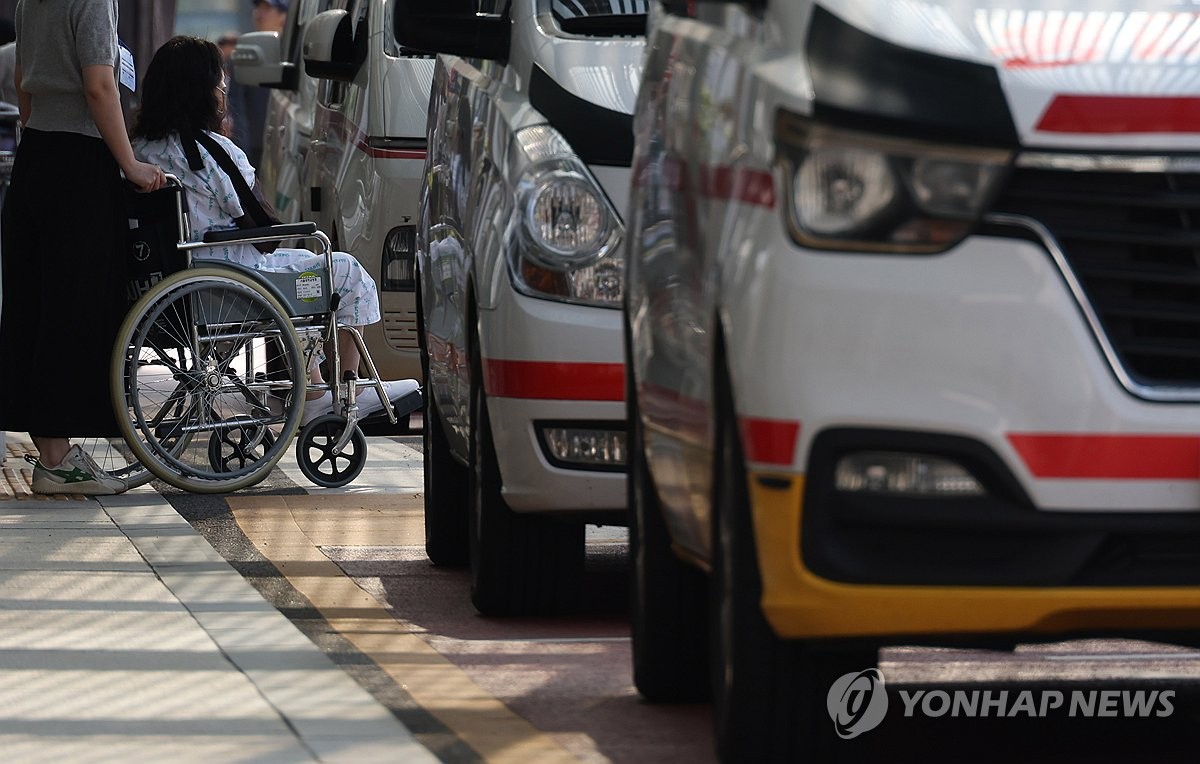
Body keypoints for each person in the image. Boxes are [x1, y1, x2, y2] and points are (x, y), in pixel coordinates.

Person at [130, 35, 405, 426]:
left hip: (177, 280)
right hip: (233, 280)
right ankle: (346, 389)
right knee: (341, 269)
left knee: (307, 271)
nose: (223, 93)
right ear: (204, 94)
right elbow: (260, 226)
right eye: (220, 86)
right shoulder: (212, 152)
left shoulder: (141, 151)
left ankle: (313, 387)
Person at [0, 0, 165, 495]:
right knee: (73, 304)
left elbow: (23, 82)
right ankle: (55, 460)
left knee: (34, 302)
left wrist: (41, 138)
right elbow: (99, 84)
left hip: (37, 155)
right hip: (78, 161)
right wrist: (130, 164)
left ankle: (51, 447)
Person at [236, 0, 288, 169]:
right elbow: (237, 107)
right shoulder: (246, 53)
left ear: (283, 16)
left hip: (290, 147)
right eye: (257, 8)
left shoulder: (294, 52)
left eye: (266, 8)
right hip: (257, 150)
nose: (258, 13)